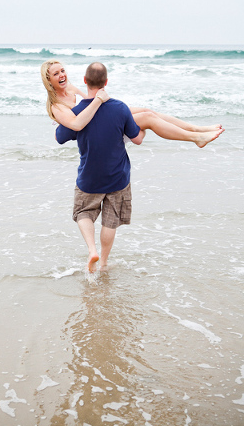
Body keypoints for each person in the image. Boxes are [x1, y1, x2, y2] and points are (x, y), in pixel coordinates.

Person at [55, 62, 145, 272]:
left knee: (83, 213)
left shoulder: (77, 112)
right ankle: (103, 262)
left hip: (89, 178)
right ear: (106, 82)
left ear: (85, 82)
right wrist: (145, 129)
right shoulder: (120, 108)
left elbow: (60, 137)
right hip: (117, 178)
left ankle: (92, 249)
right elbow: (137, 139)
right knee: (110, 221)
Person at [41, 59, 224, 146]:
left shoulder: (71, 88)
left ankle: (197, 129)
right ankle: (196, 139)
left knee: (147, 110)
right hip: (96, 128)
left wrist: (112, 105)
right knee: (148, 118)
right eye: (56, 74)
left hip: (101, 114)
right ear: (48, 80)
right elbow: (77, 123)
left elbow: (90, 100)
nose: (62, 75)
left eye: (62, 70)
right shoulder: (56, 105)